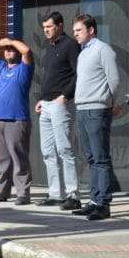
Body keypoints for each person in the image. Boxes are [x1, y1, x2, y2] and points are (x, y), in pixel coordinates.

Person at [71, 14, 122, 221]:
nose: (75, 35)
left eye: (79, 30)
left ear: (91, 30)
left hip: (97, 110)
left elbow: (115, 80)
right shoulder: (83, 53)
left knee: (101, 158)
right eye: (74, 31)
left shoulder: (103, 49)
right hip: (82, 109)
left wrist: (110, 103)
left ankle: (103, 204)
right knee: (91, 157)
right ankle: (93, 200)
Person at [34, 12, 82, 210]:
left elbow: (79, 73)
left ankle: (73, 195)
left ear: (60, 26)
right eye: (44, 27)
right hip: (45, 105)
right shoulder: (50, 47)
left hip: (60, 104)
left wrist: (65, 96)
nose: (46, 30)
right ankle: (55, 193)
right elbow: (52, 77)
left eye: (50, 27)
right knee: (47, 152)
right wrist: (41, 100)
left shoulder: (70, 46)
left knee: (64, 150)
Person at [0, 38, 34, 205]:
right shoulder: (0, 66)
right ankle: (0, 193)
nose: (8, 52)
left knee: (19, 158)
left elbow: (27, 51)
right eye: (6, 50)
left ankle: (23, 193)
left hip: (17, 119)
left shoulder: (24, 67)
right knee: (2, 160)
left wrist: (11, 41)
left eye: (11, 49)